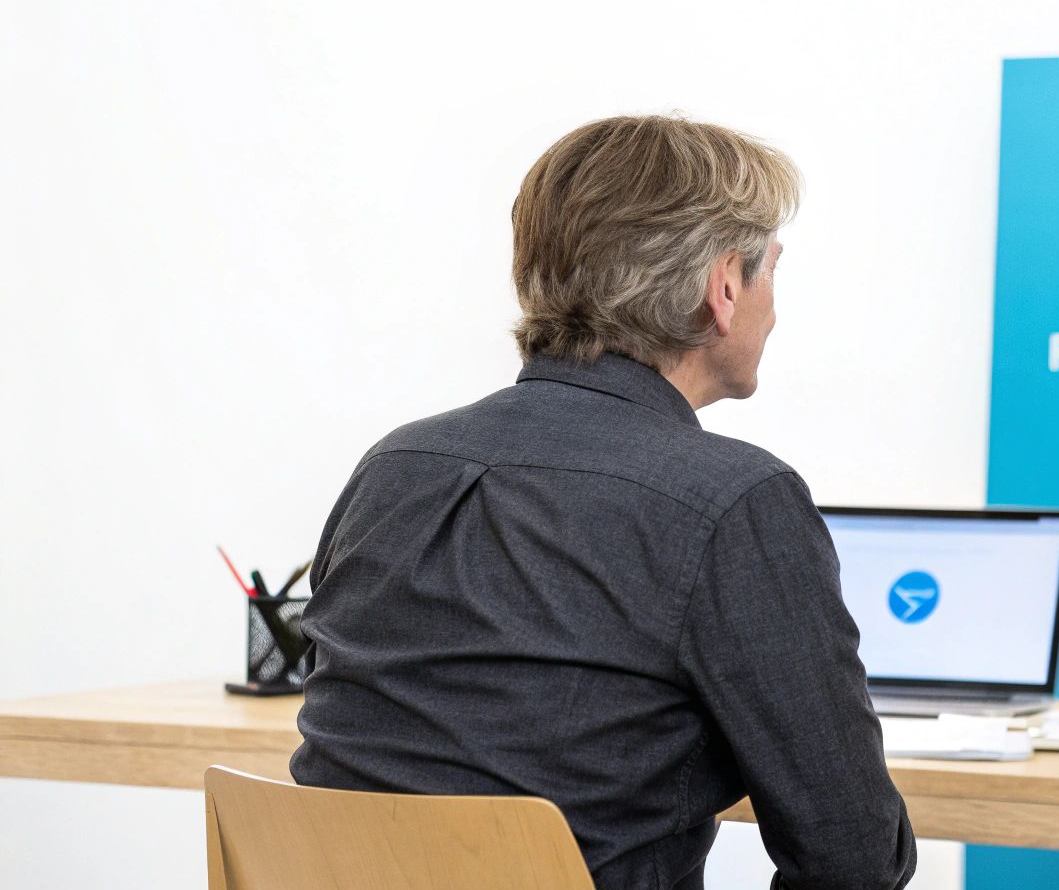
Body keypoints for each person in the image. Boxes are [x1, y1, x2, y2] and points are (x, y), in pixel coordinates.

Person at [290, 116, 916, 890]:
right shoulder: (733, 502)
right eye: (769, 273)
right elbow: (851, 855)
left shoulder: (395, 467)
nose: (772, 305)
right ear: (723, 288)